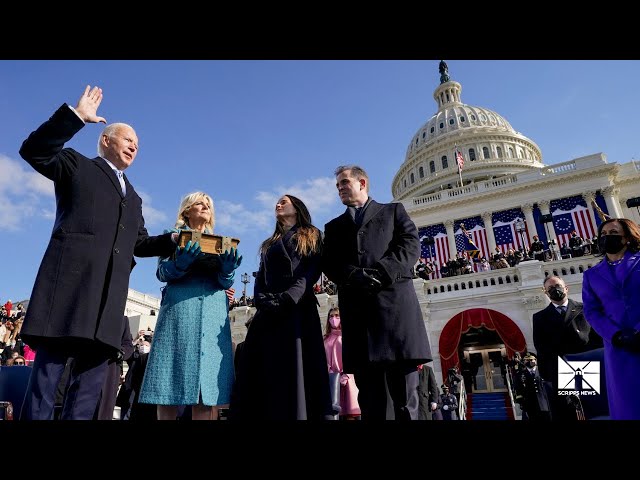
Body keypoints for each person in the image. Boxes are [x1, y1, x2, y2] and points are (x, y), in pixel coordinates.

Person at [18, 85, 177, 420]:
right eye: (128, 139)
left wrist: (173, 240)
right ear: (106, 140)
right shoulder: (77, 166)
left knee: (87, 396)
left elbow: (139, 243)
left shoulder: (134, 197)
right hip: (69, 295)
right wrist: (75, 117)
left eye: (138, 143)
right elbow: (35, 150)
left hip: (106, 308)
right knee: (46, 385)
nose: (135, 145)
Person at [322, 165, 432, 420]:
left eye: (344, 183)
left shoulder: (393, 211)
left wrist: (382, 271)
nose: (340, 188)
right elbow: (329, 263)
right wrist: (353, 275)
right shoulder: (334, 227)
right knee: (372, 403)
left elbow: (410, 245)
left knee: (406, 401)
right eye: (337, 185)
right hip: (361, 325)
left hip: (396, 318)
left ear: (362, 183)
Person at [138, 191, 242, 421]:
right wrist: (179, 263)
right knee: (168, 386)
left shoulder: (221, 243)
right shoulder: (170, 236)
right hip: (179, 313)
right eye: (199, 202)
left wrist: (228, 270)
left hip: (214, 314)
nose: (205, 206)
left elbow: (225, 282)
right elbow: (162, 273)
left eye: (208, 204)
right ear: (186, 210)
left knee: (206, 391)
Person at [229, 195, 333, 420]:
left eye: (283, 202)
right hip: (268, 313)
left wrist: (289, 297)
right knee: (262, 372)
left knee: (298, 371)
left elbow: (311, 271)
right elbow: (260, 277)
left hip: (297, 309)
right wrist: (262, 300)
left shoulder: (313, 235)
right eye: (277, 202)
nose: (278, 204)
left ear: (297, 208)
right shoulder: (269, 243)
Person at [582, 218, 640, 419]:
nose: (607, 238)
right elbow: (592, 311)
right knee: (628, 404)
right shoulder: (591, 275)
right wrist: (615, 335)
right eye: (603, 234)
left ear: (626, 237)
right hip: (618, 348)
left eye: (613, 233)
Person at [533, 275, 603, 420]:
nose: (555, 290)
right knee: (567, 410)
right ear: (545, 293)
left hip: (586, 365)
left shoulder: (584, 309)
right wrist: (546, 374)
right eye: (550, 288)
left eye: (558, 285)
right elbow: (541, 347)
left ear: (566, 288)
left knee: (592, 408)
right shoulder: (540, 317)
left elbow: (597, 339)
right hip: (560, 368)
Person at [323, 307, 361, 420]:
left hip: (347, 380)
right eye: (331, 316)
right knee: (333, 414)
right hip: (331, 382)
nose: (333, 318)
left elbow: (354, 358)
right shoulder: (325, 339)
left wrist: (347, 375)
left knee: (350, 414)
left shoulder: (347, 337)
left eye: (337, 316)